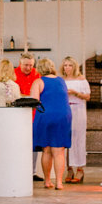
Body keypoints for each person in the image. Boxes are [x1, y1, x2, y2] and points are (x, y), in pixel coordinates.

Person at [32, 57, 72, 189]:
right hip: (63, 115)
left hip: (46, 116)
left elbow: (34, 101)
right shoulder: (61, 81)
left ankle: (47, 181)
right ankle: (59, 183)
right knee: (59, 151)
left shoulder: (38, 81)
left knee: (47, 150)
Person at [61, 56, 91, 183]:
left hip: (78, 110)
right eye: (65, 65)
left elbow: (87, 96)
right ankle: (69, 169)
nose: (67, 68)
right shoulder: (61, 80)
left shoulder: (81, 79)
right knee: (66, 139)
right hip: (65, 110)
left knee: (78, 138)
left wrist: (75, 93)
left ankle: (80, 168)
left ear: (74, 67)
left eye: (70, 65)